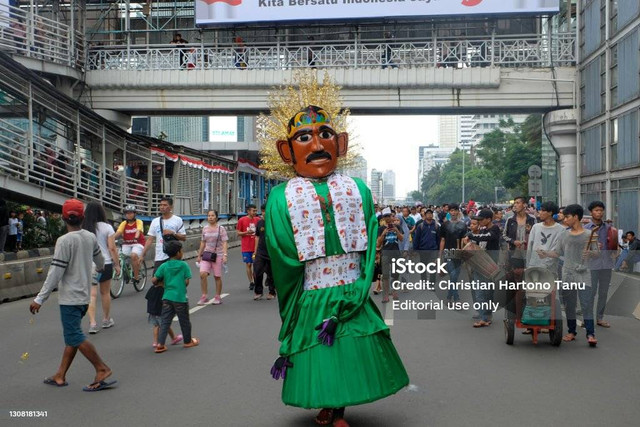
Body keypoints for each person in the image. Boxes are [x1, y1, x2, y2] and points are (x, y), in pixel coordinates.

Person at [263, 93, 408, 427]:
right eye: (303, 137)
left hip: (351, 288)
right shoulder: (280, 197)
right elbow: (282, 254)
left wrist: (364, 279)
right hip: (314, 291)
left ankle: (339, 406)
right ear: (287, 151)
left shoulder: (358, 188)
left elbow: (370, 238)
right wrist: (293, 296)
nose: (317, 143)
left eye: (325, 134)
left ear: (340, 144)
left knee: (348, 349)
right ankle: (329, 403)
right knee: (323, 352)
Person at [29, 199, 116, 391]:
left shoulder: (64, 241)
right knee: (72, 336)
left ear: (63, 218)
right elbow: (100, 262)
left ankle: (101, 368)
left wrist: (39, 299)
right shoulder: (89, 237)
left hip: (70, 297)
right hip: (84, 296)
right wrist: (95, 271)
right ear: (82, 218)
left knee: (74, 335)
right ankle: (60, 375)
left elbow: (55, 273)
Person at [539, 204, 598, 346]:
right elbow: (557, 253)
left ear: (576, 217)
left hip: (584, 274)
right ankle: (572, 331)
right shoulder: (564, 234)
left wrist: (590, 253)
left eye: (567, 216)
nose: (565, 219)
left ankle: (590, 333)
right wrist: (545, 253)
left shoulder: (590, 235)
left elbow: (597, 254)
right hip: (567, 273)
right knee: (569, 305)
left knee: (586, 304)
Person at [153, 241, 199, 353]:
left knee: (165, 321)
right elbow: (187, 281)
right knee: (184, 321)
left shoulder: (164, 265)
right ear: (178, 252)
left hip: (167, 297)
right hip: (180, 298)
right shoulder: (184, 265)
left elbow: (154, 279)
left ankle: (160, 344)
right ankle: (188, 341)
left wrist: (162, 284)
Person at [83, 202, 121, 334]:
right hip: (105, 263)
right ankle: (106, 319)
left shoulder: (83, 227)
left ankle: (92, 323)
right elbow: (112, 248)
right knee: (105, 293)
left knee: (91, 295)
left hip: (89, 264)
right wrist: (117, 264)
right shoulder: (107, 227)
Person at [465, 208, 501, 327]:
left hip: (489, 264)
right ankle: (485, 316)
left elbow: (486, 237)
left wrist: (471, 235)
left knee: (484, 291)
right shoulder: (482, 229)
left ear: (489, 219)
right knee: (482, 290)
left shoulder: (494, 229)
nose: (479, 222)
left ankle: (484, 317)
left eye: (481, 220)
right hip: (479, 262)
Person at [584, 201, 617, 328]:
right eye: (596, 210)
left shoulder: (609, 228)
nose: (599, 212)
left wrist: (615, 252)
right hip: (591, 265)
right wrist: (591, 249)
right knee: (590, 293)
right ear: (591, 212)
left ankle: (600, 318)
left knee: (603, 293)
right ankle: (588, 319)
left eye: (601, 210)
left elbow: (614, 245)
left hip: (607, 264)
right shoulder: (586, 229)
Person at [142, 197, 186, 275]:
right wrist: (142, 254)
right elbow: (150, 239)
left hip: (174, 256)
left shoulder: (177, 220)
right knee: (156, 280)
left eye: (165, 205)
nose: (162, 207)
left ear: (171, 207)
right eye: (161, 205)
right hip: (159, 256)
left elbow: (183, 238)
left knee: (173, 281)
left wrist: (173, 233)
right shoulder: (155, 221)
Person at [196, 210, 228, 305]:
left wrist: (225, 255)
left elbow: (224, 242)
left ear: (216, 217)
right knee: (202, 274)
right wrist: (199, 255)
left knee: (217, 276)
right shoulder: (205, 228)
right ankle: (204, 296)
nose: (210, 217)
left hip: (218, 254)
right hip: (206, 254)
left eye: (212, 215)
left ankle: (217, 296)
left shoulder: (221, 229)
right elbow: (203, 242)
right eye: (209, 215)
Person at [439, 203, 467, 304]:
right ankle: (457, 299)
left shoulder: (463, 225)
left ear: (458, 212)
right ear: (449, 212)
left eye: (455, 210)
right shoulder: (444, 225)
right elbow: (442, 240)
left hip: (459, 253)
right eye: (452, 210)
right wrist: (440, 255)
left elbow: (465, 240)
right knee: (453, 274)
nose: (454, 212)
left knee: (454, 277)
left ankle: (448, 297)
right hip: (448, 252)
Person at [113, 205, 144, 287]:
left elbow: (138, 230)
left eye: (131, 213)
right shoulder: (123, 223)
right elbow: (118, 232)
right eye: (127, 213)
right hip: (127, 243)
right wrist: (111, 239)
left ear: (134, 214)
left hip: (138, 243)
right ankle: (125, 271)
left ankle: (136, 277)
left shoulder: (139, 222)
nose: (129, 215)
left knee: (133, 255)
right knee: (120, 257)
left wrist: (136, 237)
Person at [145, 281, 183, 349]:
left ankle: (155, 342)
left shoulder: (152, 288)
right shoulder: (162, 290)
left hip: (152, 311)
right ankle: (173, 338)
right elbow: (164, 301)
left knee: (156, 326)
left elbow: (147, 297)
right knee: (166, 325)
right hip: (160, 312)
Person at [378, 207, 404, 303]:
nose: (388, 218)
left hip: (396, 253)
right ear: (383, 218)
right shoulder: (381, 229)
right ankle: (385, 295)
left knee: (396, 274)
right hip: (385, 253)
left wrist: (396, 230)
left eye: (389, 216)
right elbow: (378, 243)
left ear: (392, 217)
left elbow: (401, 239)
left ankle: (394, 291)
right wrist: (383, 234)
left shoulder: (398, 226)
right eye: (386, 216)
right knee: (385, 275)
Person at [253, 206, 276, 300]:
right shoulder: (259, 223)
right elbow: (257, 237)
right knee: (257, 271)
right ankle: (258, 291)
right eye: (262, 211)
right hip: (260, 252)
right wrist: (255, 252)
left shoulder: (274, 222)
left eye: (265, 211)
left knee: (271, 273)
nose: (264, 213)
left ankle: (272, 292)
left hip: (272, 252)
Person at [236, 204, 260, 291]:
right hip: (246, 246)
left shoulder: (258, 220)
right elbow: (238, 232)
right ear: (248, 211)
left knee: (257, 265)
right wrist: (246, 232)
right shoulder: (242, 220)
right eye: (253, 211)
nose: (255, 212)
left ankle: (257, 280)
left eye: (256, 210)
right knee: (249, 264)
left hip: (256, 247)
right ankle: (251, 282)